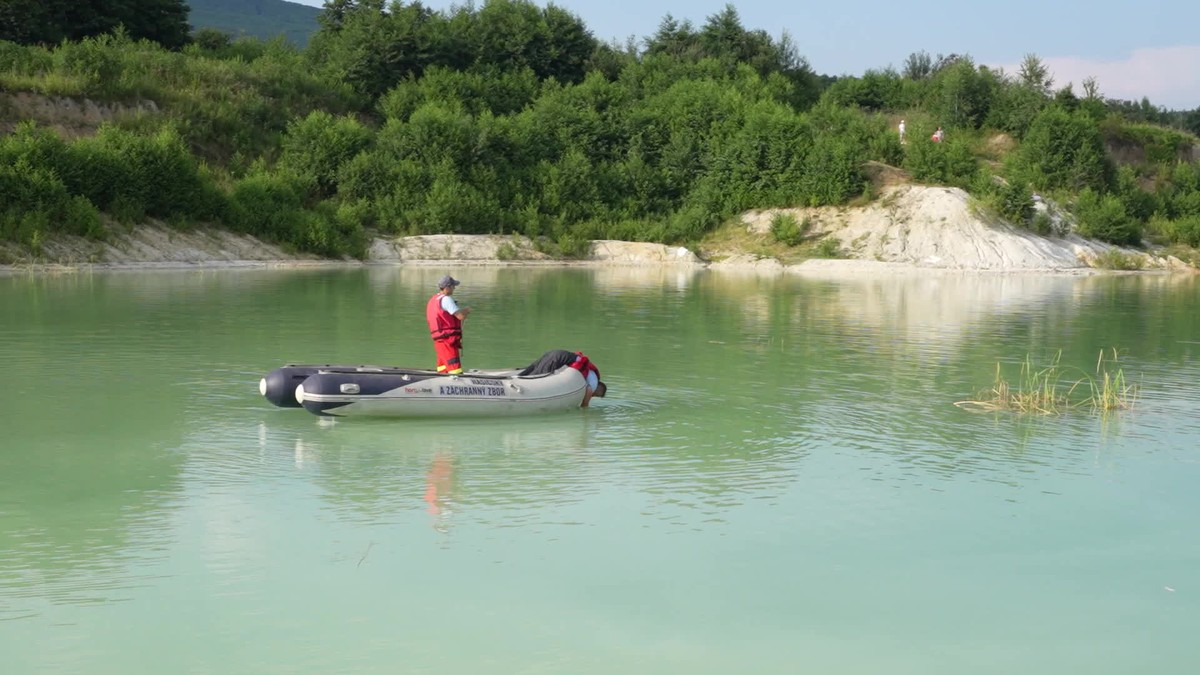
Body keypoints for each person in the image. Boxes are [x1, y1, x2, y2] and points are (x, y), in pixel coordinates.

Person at [519, 349, 607, 407]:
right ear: (599, 390)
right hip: (560, 358)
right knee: (537, 377)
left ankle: (516, 380)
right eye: (596, 395)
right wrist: (585, 407)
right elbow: (589, 391)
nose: (593, 396)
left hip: (556, 354)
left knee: (529, 372)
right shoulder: (594, 383)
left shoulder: (592, 375)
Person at [426, 275, 470, 374]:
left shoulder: (433, 299)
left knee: (443, 370)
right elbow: (460, 316)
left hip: (439, 340)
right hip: (448, 341)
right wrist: (466, 310)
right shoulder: (446, 299)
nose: (454, 288)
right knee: (455, 370)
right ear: (447, 287)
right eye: (453, 286)